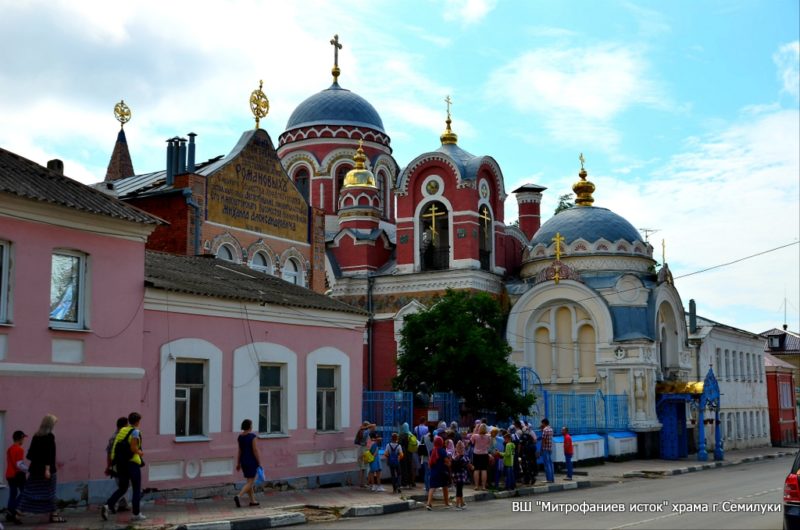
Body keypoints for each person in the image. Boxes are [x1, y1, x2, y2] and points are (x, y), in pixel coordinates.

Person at [18, 414, 64, 524]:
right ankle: (54, 515)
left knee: (29, 492)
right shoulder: (50, 436)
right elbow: (49, 454)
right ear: (50, 424)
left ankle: (18, 513)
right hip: (47, 471)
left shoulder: (36, 436)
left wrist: (38, 460)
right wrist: (47, 469)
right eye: (54, 424)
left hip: (34, 470)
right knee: (50, 493)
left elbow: (30, 455)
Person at [102, 412, 145, 522]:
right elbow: (133, 448)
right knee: (136, 489)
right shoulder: (135, 432)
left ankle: (108, 505)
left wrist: (112, 464)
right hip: (132, 463)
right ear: (137, 421)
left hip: (121, 464)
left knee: (122, 488)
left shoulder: (122, 431)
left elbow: (114, 448)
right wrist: (140, 453)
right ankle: (136, 514)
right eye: (139, 421)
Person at [104, 417, 130, 512]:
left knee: (122, 485)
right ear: (125, 425)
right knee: (124, 486)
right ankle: (110, 504)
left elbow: (109, 453)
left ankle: (122, 505)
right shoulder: (124, 436)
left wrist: (109, 466)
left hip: (115, 465)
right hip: (123, 465)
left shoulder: (112, 437)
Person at [234, 419, 261, 507]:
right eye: (251, 425)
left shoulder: (240, 437)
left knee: (249, 481)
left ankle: (253, 501)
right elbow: (255, 450)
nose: (252, 426)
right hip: (251, 461)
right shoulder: (252, 437)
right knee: (250, 482)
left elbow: (239, 451)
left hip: (243, 461)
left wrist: (238, 463)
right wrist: (259, 462)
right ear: (249, 426)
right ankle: (239, 496)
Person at [5, 430, 27, 524]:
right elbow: (19, 464)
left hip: (9, 475)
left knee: (12, 494)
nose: (24, 440)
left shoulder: (10, 449)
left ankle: (10, 513)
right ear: (20, 438)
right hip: (18, 474)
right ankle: (15, 510)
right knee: (25, 492)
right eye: (23, 438)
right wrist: (28, 469)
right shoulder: (19, 449)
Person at [424, 436, 451, 510]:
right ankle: (446, 503)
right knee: (445, 487)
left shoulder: (432, 451)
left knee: (432, 488)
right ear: (441, 443)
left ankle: (428, 503)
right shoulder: (442, 451)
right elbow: (446, 461)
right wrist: (449, 464)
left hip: (433, 472)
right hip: (442, 472)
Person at [451, 440, 471, 510]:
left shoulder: (454, 456)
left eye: (462, 448)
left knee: (459, 489)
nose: (461, 449)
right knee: (459, 490)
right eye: (460, 448)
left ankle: (462, 503)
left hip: (456, 475)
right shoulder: (462, 457)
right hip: (460, 475)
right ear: (456, 448)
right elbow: (468, 464)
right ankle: (457, 504)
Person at [471, 423, 491, 491]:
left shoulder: (475, 436)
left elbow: (472, 442)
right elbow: (488, 445)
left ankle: (476, 486)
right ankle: (483, 486)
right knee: (484, 470)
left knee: (476, 469)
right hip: (484, 454)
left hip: (476, 453)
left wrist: (475, 430)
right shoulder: (488, 436)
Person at [356, 421, 375, 488]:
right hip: (364, 450)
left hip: (361, 449)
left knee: (361, 468)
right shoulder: (366, 432)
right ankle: (362, 483)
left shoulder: (361, 431)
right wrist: (371, 426)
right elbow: (370, 429)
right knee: (364, 467)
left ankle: (361, 482)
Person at [398, 422, 415, 489]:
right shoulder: (410, 434)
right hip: (410, 453)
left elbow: (399, 445)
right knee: (409, 468)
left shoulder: (402, 435)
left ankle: (404, 484)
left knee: (403, 469)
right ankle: (410, 483)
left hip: (403, 454)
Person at [414, 418, 429, 487]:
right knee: (423, 461)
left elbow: (415, 437)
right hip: (424, 446)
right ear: (424, 421)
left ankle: (419, 475)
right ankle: (423, 476)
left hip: (418, 446)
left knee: (419, 460)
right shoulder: (426, 428)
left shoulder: (416, 428)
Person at [540, 418, 554, 483]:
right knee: (550, 464)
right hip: (550, 448)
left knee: (547, 464)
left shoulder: (545, 430)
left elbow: (543, 440)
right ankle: (552, 478)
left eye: (542, 423)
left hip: (545, 448)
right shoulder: (551, 429)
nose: (541, 424)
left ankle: (549, 479)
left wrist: (541, 448)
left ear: (544, 423)